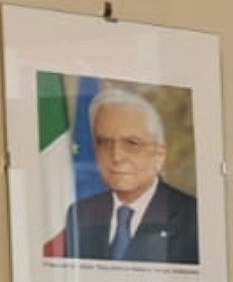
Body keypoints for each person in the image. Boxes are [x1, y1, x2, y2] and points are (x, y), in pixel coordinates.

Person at [62, 85, 199, 263]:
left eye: (131, 143)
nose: (116, 156)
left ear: (158, 155)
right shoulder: (81, 214)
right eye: (104, 142)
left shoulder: (193, 216)